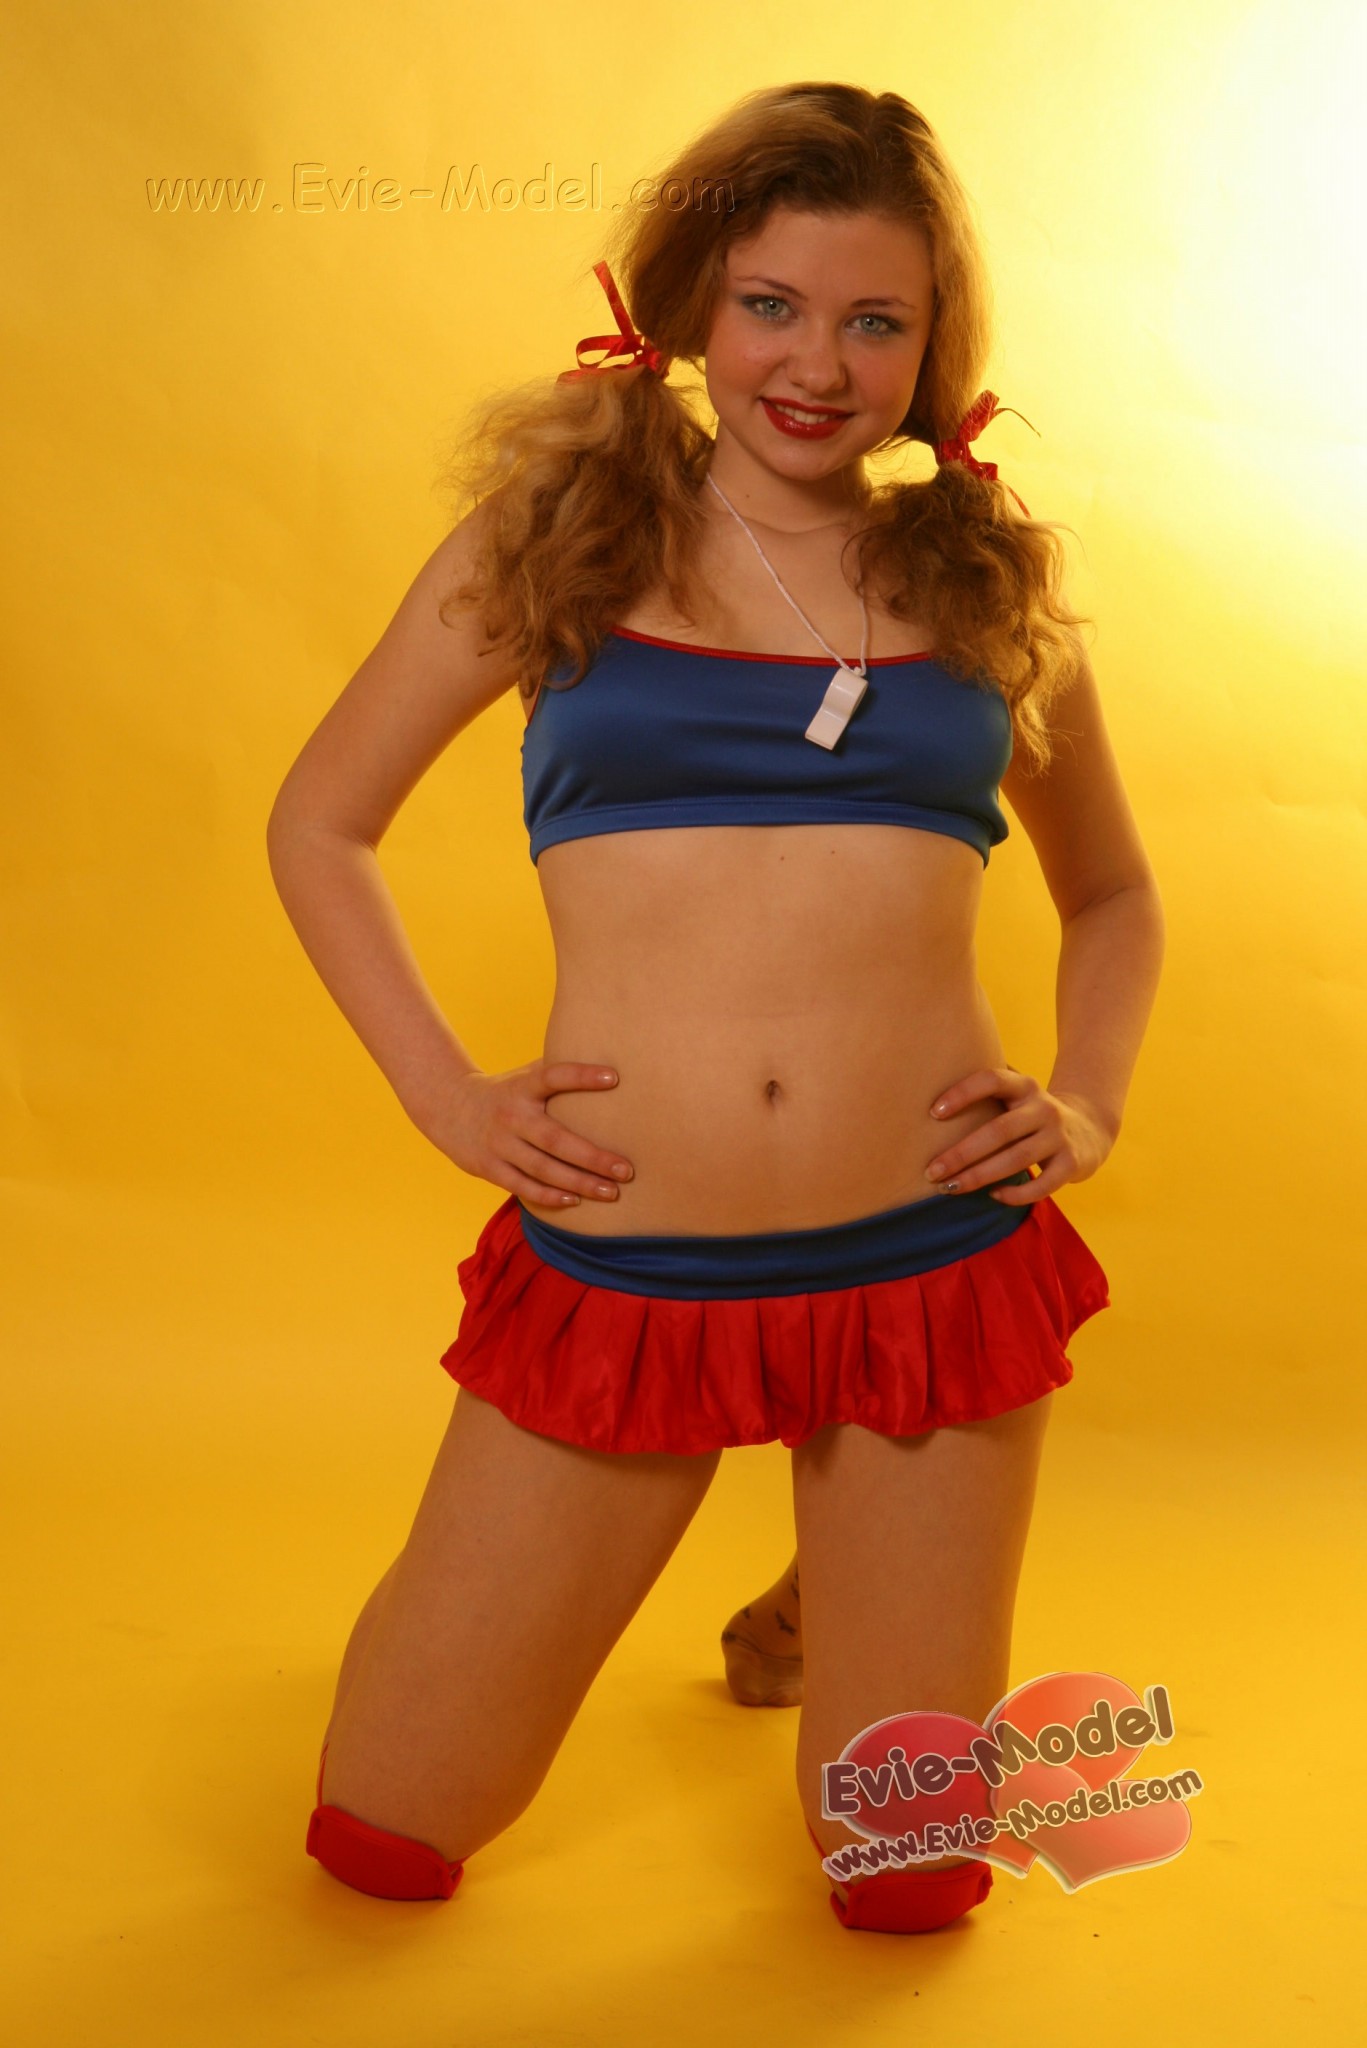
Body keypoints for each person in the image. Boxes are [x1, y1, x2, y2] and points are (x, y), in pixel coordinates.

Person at [267, 81, 1165, 1934]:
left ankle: (855, 1575)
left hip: (930, 1275)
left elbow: (1116, 896)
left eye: (873, 321)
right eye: (772, 305)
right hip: (632, 1274)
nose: (816, 366)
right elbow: (321, 824)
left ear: (933, 350)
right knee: (385, 1832)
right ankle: (833, 1580)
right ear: (691, 304)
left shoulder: (983, 586)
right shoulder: (558, 543)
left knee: (910, 1878)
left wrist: (1085, 1099)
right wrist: (444, 1094)